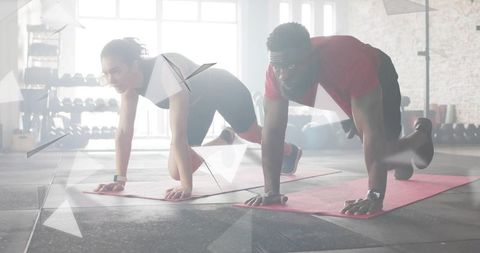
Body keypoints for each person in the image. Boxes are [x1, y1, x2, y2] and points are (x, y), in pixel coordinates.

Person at [245, 23, 434, 215]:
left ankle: (421, 135)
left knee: (382, 154)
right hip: (333, 87)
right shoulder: (275, 73)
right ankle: (401, 157)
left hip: (376, 74)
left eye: (290, 66)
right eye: (277, 66)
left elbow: (372, 131)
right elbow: (272, 131)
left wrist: (374, 195)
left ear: (309, 56)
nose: (282, 74)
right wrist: (271, 191)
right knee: (385, 159)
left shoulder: (350, 61)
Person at [94, 38, 302, 200]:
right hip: (197, 106)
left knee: (251, 134)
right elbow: (123, 131)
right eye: (106, 73)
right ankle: (225, 139)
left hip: (223, 88)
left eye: (116, 71)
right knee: (176, 171)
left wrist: (187, 186)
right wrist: (119, 178)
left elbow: (179, 135)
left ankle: (290, 151)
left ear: (134, 65)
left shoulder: (165, 70)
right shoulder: (128, 86)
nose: (111, 80)